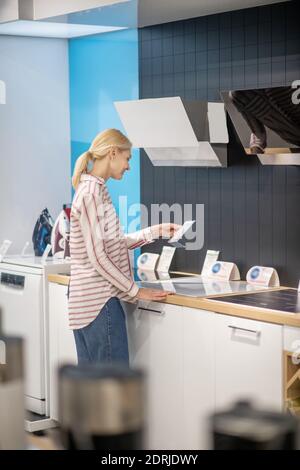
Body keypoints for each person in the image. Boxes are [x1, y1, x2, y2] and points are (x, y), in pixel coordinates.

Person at [69, 129, 181, 366]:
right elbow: (98, 258)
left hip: (91, 304)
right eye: (127, 158)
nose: (128, 166)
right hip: (99, 305)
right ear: (112, 153)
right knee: (113, 392)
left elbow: (112, 243)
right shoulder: (91, 193)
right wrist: (136, 291)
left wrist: (155, 231)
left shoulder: (96, 189)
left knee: (94, 392)